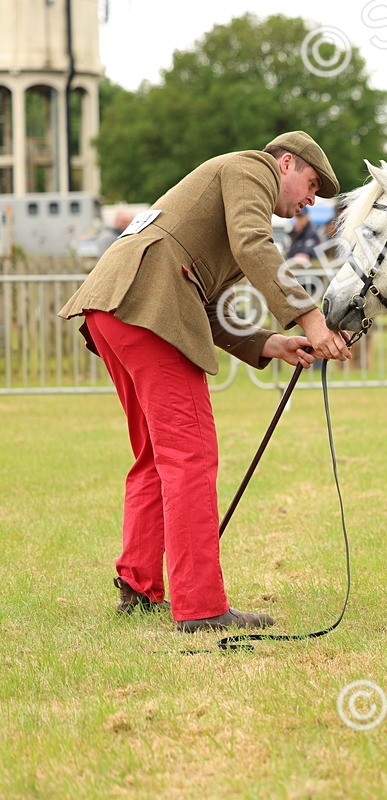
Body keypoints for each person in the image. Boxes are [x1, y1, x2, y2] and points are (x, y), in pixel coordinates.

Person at [57, 131, 352, 633]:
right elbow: (253, 245)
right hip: (145, 308)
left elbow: (206, 305)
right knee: (190, 456)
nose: (311, 199)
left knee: (156, 455)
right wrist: (310, 320)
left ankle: (139, 584)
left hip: (115, 308)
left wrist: (267, 343)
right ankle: (200, 608)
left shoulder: (227, 192)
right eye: (311, 184)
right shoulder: (249, 170)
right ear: (285, 163)